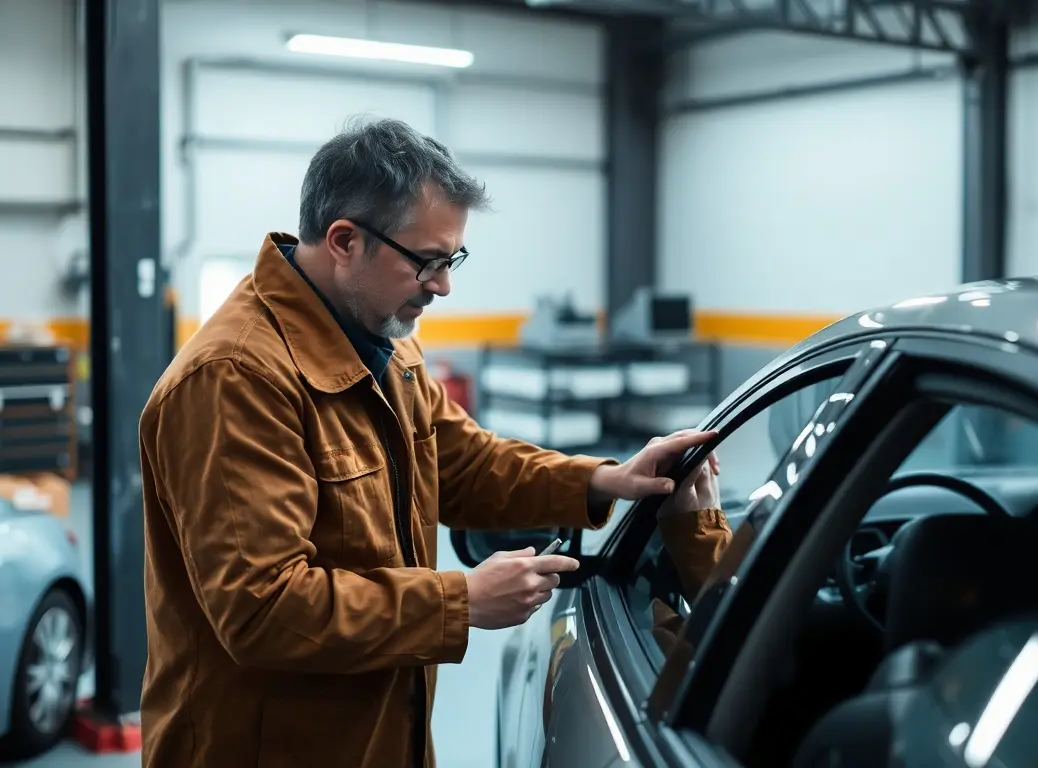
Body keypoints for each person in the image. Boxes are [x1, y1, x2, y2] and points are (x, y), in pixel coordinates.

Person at [136, 117, 720, 768]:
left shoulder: (384, 341)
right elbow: (262, 608)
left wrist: (603, 479)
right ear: (345, 241)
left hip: (380, 735)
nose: (443, 285)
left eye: (452, 259)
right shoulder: (236, 379)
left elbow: (463, 462)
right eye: (429, 262)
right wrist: (459, 602)